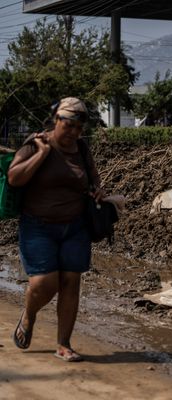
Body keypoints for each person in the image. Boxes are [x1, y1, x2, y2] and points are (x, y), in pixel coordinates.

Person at [8, 97, 105, 362]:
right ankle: (29, 315)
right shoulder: (37, 142)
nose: (73, 132)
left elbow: (93, 177)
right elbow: (14, 178)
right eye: (69, 125)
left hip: (75, 227)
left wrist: (97, 190)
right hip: (38, 227)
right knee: (44, 283)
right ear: (56, 120)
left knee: (71, 282)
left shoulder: (82, 149)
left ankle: (63, 344)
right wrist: (41, 155)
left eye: (78, 127)